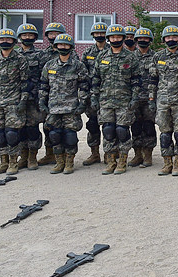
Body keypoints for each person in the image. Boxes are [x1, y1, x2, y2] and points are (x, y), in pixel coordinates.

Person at [91, 23, 142, 175]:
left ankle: (122, 161)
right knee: (108, 131)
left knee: (122, 131)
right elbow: (95, 79)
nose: (115, 39)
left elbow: (137, 80)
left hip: (124, 101)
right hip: (106, 101)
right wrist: (94, 97)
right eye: (112, 37)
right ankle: (111, 161)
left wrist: (134, 99)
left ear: (123, 38)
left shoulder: (130, 57)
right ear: (108, 38)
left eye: (118, 37)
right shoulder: (102, 56)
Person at [39, 34, 89, 174]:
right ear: (56, 47)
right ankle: (59, 161)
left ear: (71, 47)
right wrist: (42, 102)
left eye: (66, 45)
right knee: (55, 135)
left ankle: (69, 162)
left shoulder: (78, 66)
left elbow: (84, 86)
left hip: (71, 108)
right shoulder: (49, 65)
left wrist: (82, 103)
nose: (63, 47)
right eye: (60, 45)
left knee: (70, 136)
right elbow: (43, 86)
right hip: (53, 108)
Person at [150, 25, 178, 177]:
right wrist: (151, 98)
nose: (171, 40)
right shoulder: (158, 57)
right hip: (162, 101)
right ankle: (167, 162)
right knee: (165, 133)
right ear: (164, 40)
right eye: (168, 38)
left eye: (174, 37)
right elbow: (153, 79)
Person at [0, 28, 30, 175]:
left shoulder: (20, 60)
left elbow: (25, 83)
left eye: (8, 39)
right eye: (2, 39)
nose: (5, 42)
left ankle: (13, 162)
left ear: (14, 42)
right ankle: (3, 162)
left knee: (12, 133)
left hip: (13, 102)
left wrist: (23, 101)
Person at [15, 23, 44, 170]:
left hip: (34, 98)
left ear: (35, 37)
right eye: (25, 35)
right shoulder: (14, 54)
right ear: (20, 37)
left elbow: (44, 77)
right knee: (20, 128)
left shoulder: (40, 55)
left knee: (32, 128)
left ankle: (33, 156)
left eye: (30, 35)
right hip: (16, 97)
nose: (27, 37)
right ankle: (23, 155)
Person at [81, 22, 109, 166]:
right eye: (97, 33)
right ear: (92, 35)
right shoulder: (87, 53)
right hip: (92, 95)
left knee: (109, 126)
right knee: (92, 125)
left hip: (108, 95)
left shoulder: (112, 51)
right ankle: (94, 153)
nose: (100, 36)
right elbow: (83, 76)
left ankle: (109, 154)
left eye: (102, 33)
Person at [129, 27, 157, 168]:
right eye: (140, 39)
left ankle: (148, 155)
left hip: (149, 98)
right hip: (134, 98)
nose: (143, 41)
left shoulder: (156, 57)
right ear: (136, 40)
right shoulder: (130, 57)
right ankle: (137, 154)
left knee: (149, 127)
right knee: (135, 127)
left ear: (150, 41)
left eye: (145, 39)